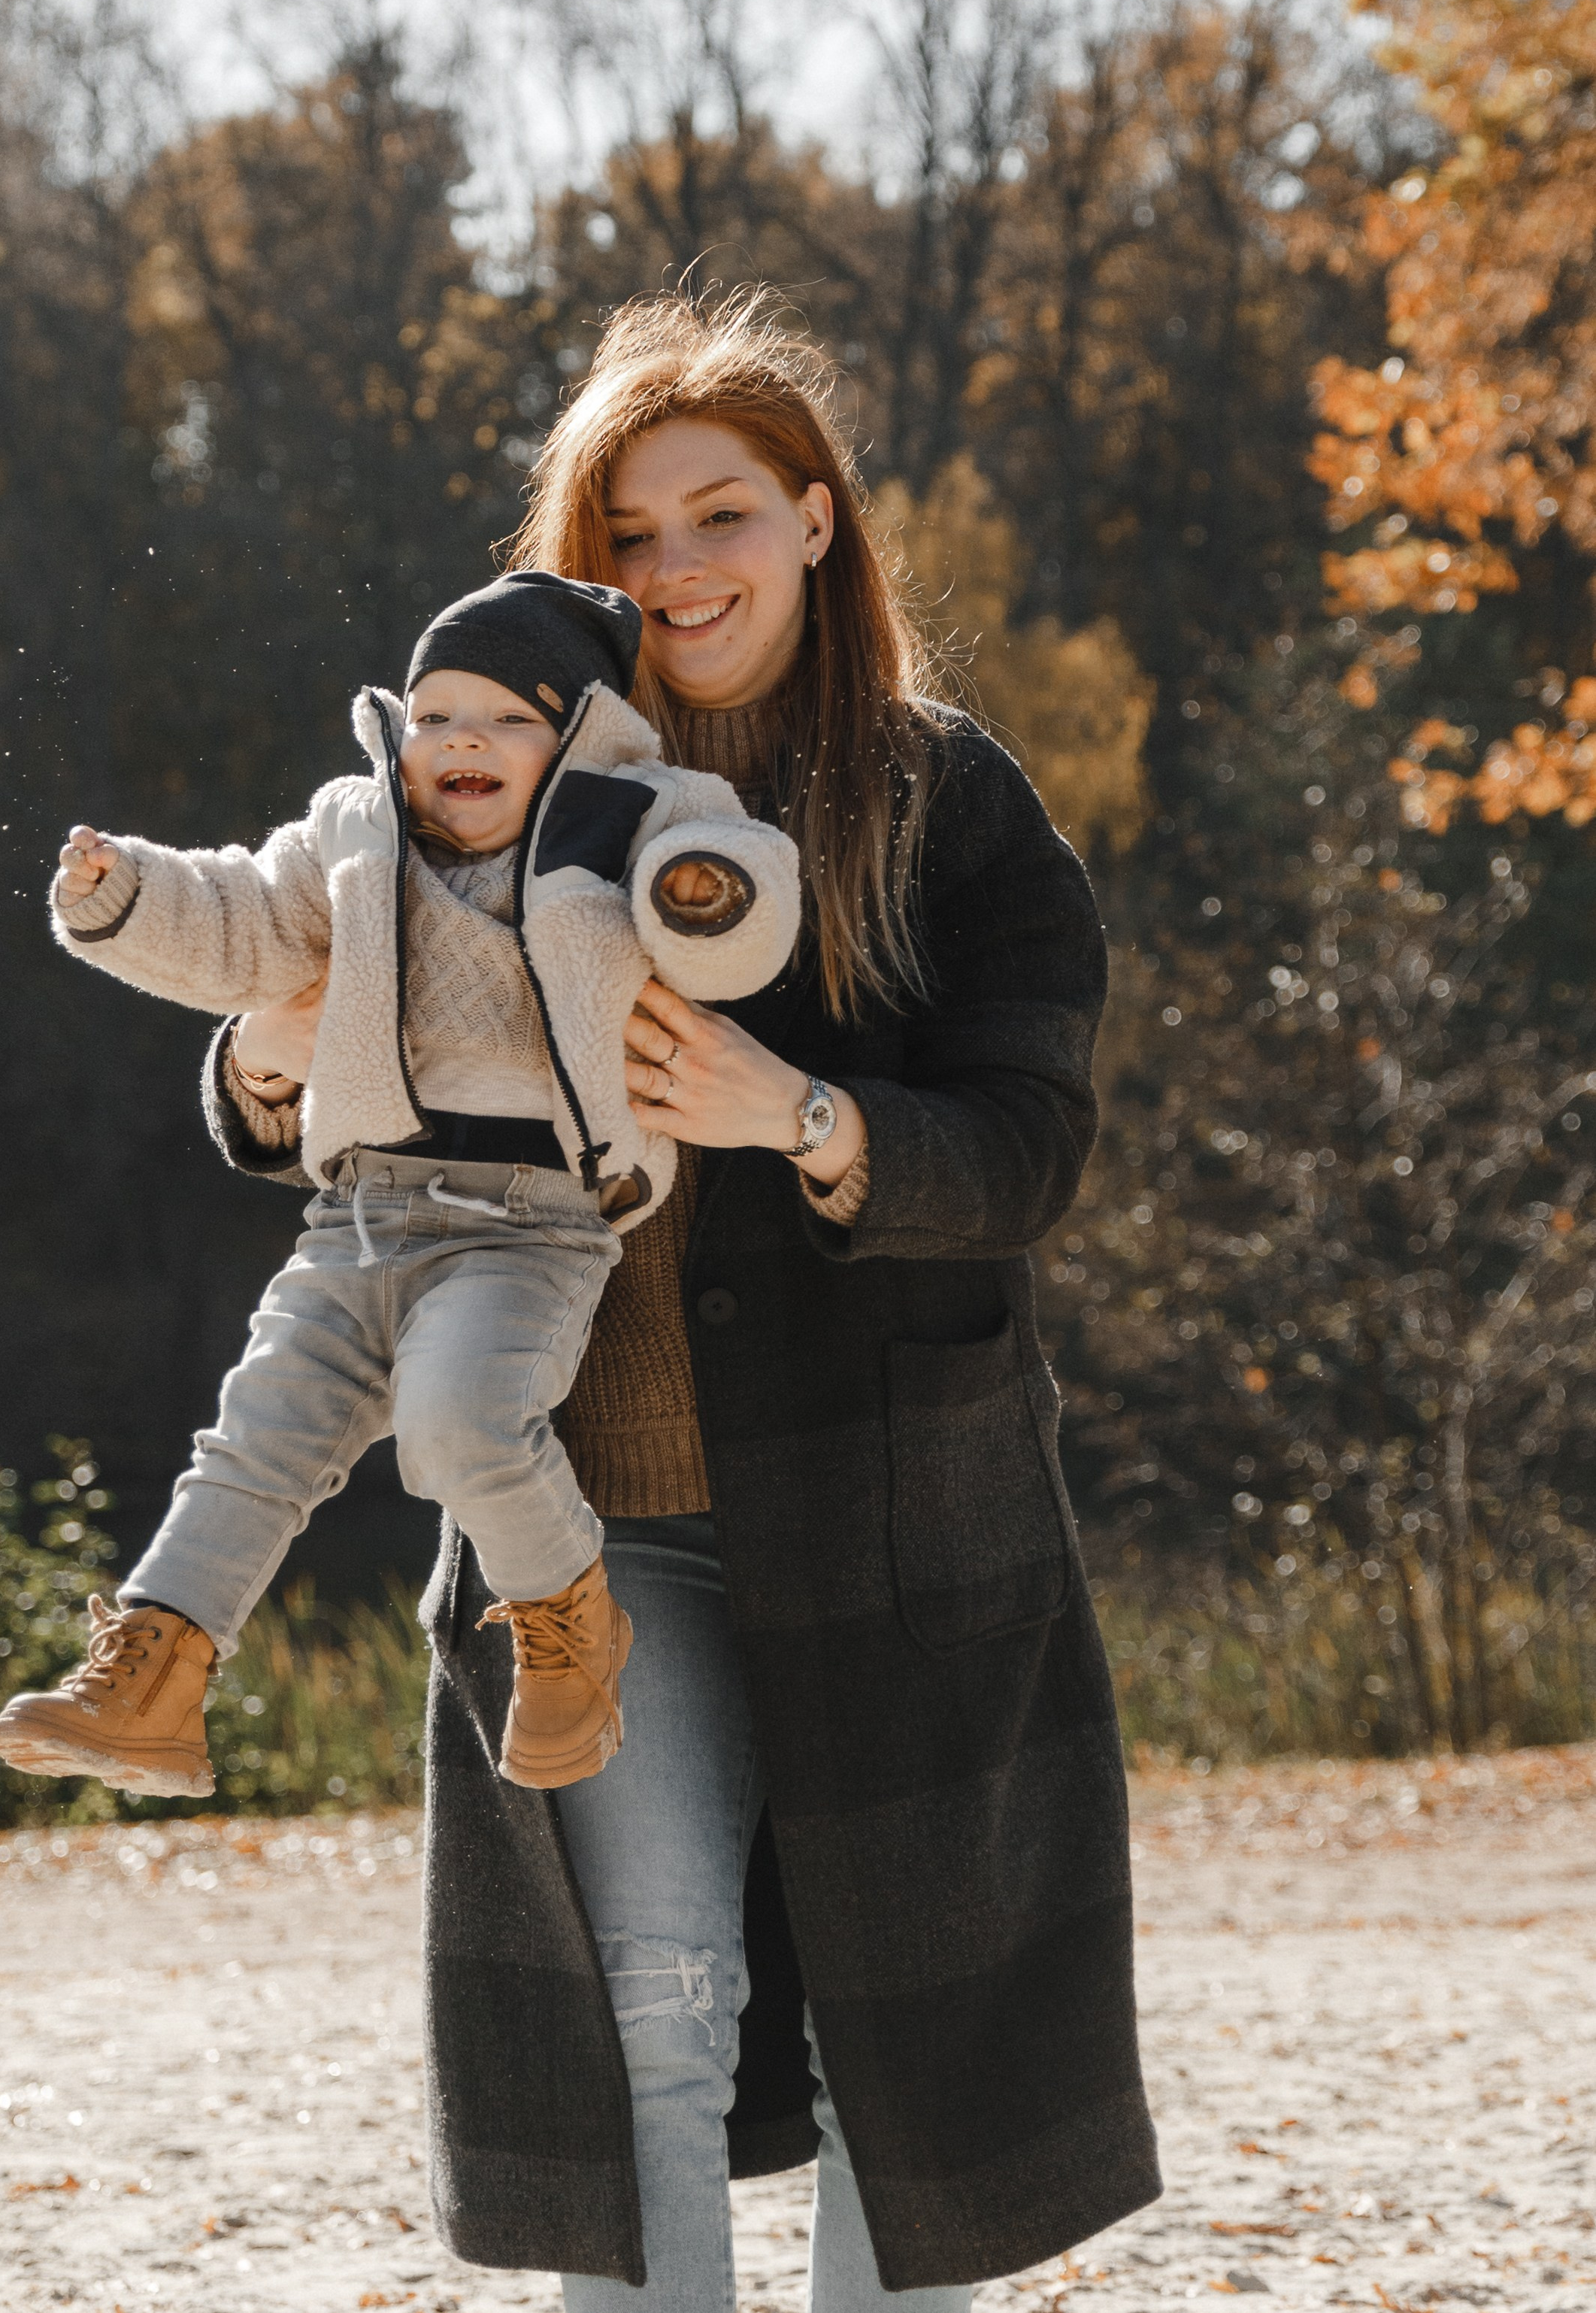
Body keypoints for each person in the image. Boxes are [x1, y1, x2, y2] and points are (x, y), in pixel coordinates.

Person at [203, 295, 1161, 2311]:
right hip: (587, 1522)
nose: (676, 569)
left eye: (720, 512)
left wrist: (798, 1113)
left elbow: (1027, 1142)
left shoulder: (941, 801)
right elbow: (310, 975)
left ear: (818, 523)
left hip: (895, 1525)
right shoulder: (484, 771)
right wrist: (263, 1071)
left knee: (892, 2047)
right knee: (645, 2011)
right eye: (626, 535)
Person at [0, 569, 798, 1796]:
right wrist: (130, 892)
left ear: (575, 730)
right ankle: (154, 1680)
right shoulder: (353, 837)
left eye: (508, 719)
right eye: (434, 716)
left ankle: (572, 1617)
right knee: (254, 1437)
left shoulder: (631, 816)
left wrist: (701, 895)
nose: (462, 740)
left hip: (532, 1224)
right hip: (360, 1211)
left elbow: (740, 884)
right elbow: (244, 922)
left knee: (462, 1417)